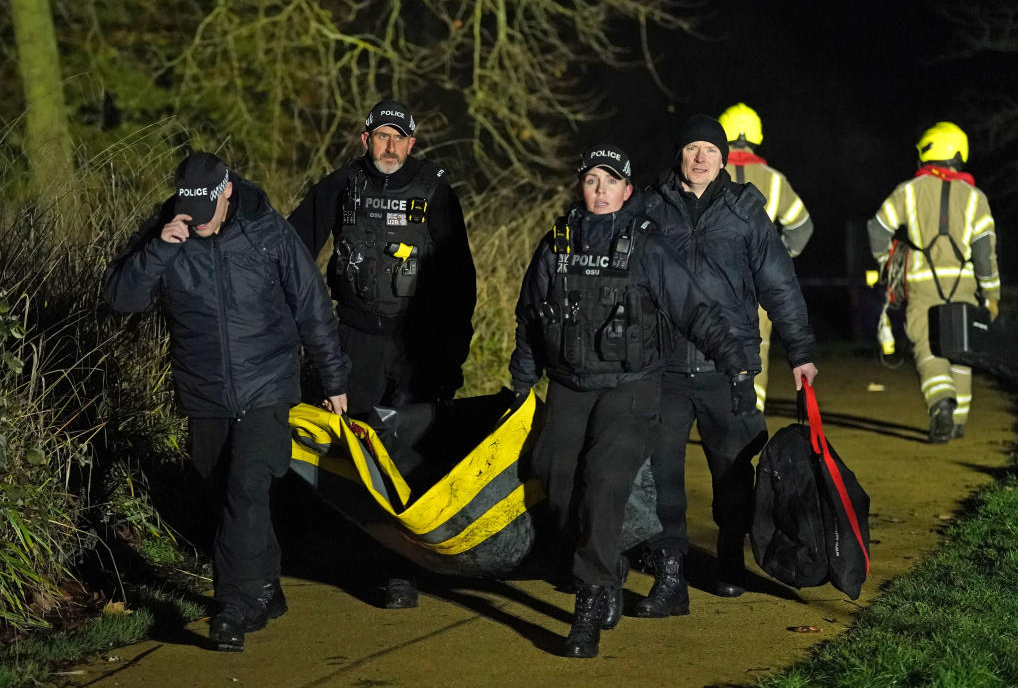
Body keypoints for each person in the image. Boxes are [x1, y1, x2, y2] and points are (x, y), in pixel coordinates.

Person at [509, 142, 750, 659]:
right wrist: (521, 381)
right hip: (571, 384)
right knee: (555, 477)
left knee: (604, 484)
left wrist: (734, 364)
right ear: (582, 186)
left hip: (632, 386)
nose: (600, 191)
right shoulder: (559, 242)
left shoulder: (647, 246)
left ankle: (590, 600)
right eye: (591, 180)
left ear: (627, 190)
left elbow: (695, 311)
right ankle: (611, 571)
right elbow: (531, 316)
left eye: (610, 182)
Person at [103, 151, 350, 652]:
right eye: (187, 209)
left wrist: (333, 378)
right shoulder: (167, 233)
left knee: (246, 488)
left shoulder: (267, 231)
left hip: (267, 386)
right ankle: (266, 589)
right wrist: (158, 251)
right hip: (204, 393)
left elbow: (312, 306)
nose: (197, 221)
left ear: (227, 193)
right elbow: (119, 300)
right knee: (230, 496)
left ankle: (232, 607)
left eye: (205, 210)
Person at [289, 98, 476, 608]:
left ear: (412, 144)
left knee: (410, 450)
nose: (389, 146)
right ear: (364, 139)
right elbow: (289, 250)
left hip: (420, 343)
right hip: (354, 339)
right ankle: (351, 548)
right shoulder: (341, 187)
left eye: (399, 138)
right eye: (381, 136)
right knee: (354, 444)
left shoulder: (435, 190)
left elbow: (460, 280)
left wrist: (452, 352)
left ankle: (403, 570)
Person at [637, 114, 818, 617]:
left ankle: (729, 556)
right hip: (662, 366)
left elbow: (779, 285)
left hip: (729, 367)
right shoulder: (648, 207)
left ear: (724, 158)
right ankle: (669, 576)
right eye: (693, 149)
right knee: (661, 476)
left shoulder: (745, 212)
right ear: (680, 154)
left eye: (710, 151)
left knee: (735, 476)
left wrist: (800, 352)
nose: (701, 159)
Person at [868, 121, 1000, 443]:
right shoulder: (976, 198)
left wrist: (886, 264)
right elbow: (985, 254)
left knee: (927, 348)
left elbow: (877, 229)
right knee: (961, 351)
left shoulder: (908, 191)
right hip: (965, 284)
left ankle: (941, 403)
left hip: (922, 283)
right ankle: (958, 423)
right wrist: (991, 294)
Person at [718, 103, 815, 412]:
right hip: (759, 285)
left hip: (712, 282)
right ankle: (750, 414)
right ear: (757, 137)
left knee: (710, 345)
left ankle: (715, 412)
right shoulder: (774, 180)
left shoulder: (704, 173)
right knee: (756, 348)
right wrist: (775, 262)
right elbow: (802, 227)